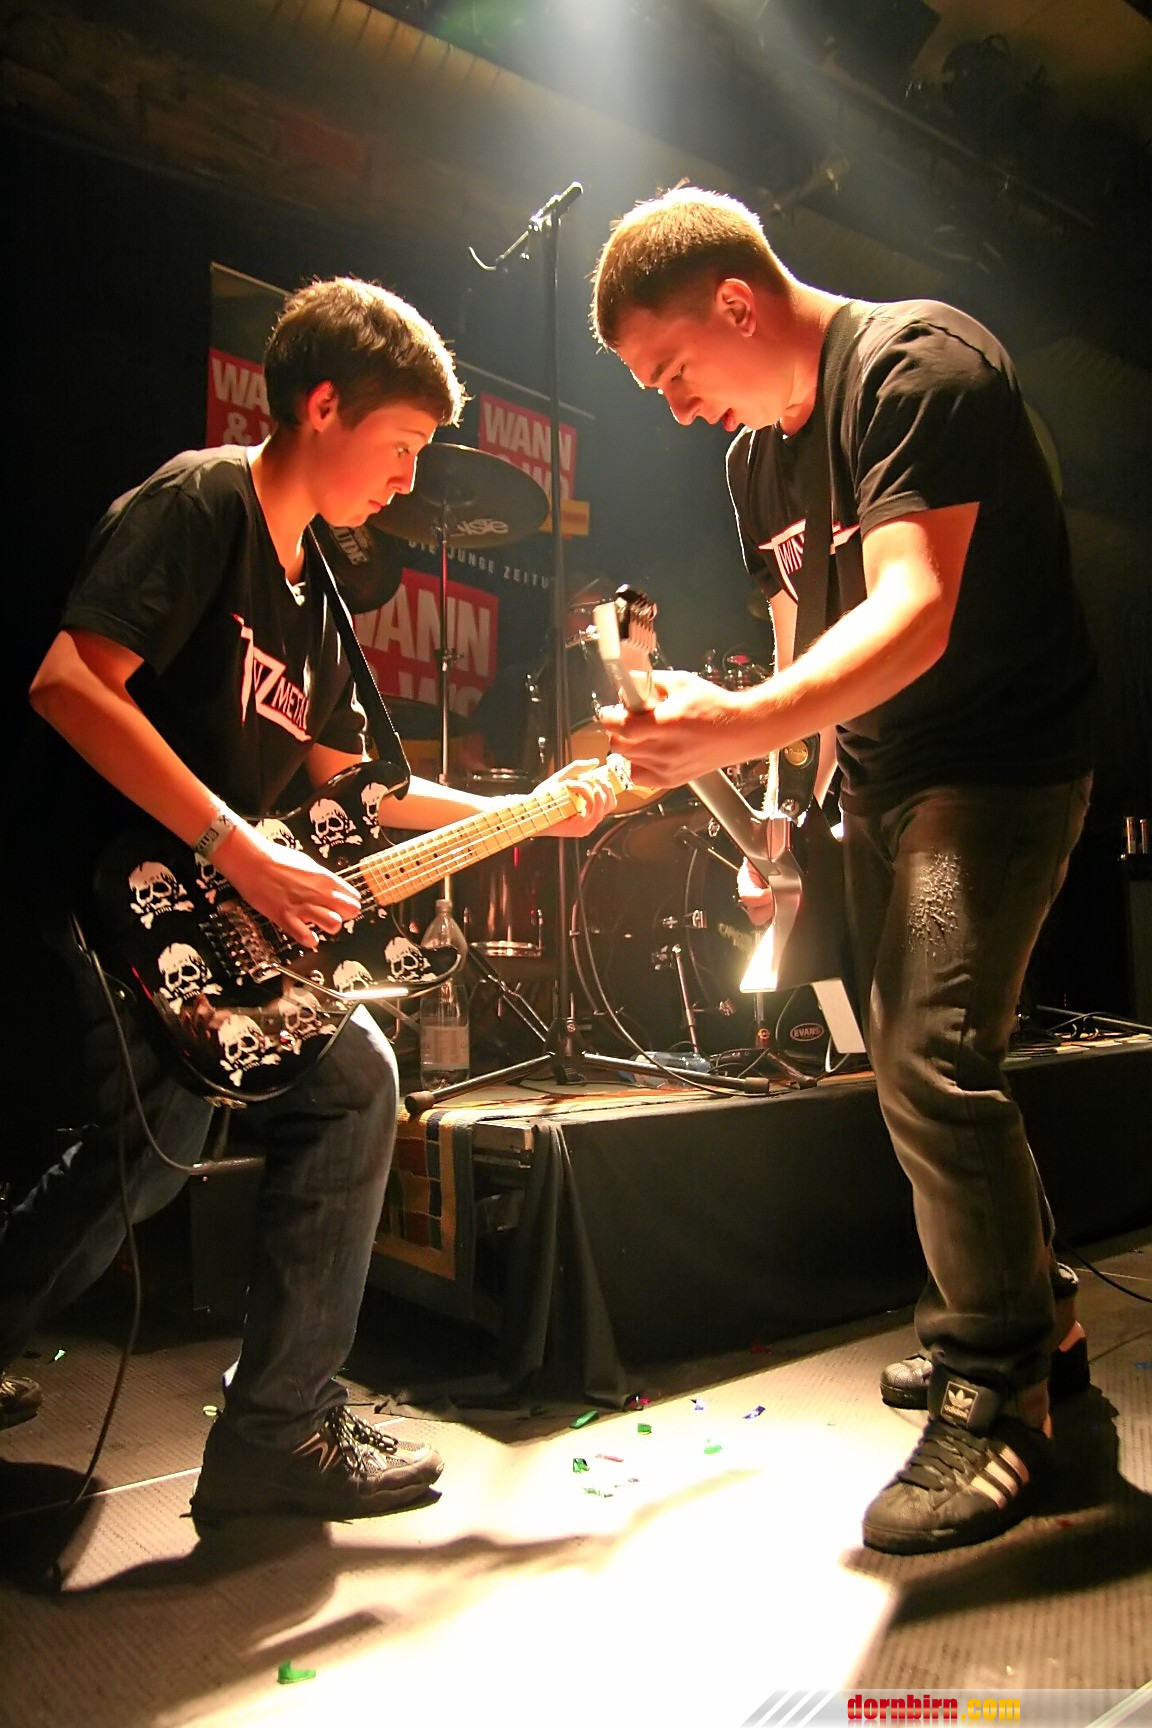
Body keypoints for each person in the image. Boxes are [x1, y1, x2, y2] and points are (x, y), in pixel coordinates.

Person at [1, 276, 614, 1528]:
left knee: (252, 1125)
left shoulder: (316, 588)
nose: (409, 477)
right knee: (157, 1156)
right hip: (116, 901)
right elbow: (69, 682)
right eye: (403, 443)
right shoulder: (202, 502)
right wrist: (235, 846)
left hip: (205, 922)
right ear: (323, 406)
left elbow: (357, 785)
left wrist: (533, 806)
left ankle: (275, 1431)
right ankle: (275, 1432)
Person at [591, 188, 1096, 1556]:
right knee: (907, 1059)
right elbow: (799, 648)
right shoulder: (756, 462)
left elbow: (912, 613)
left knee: (932, 1057)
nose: (674, 408)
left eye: (672, 370)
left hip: (994, 769)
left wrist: (739, 721)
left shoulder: (919, 368)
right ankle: (1034, 1313)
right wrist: (777, 820)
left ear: (736, 304)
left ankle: (999, 1393)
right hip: (881, 781)